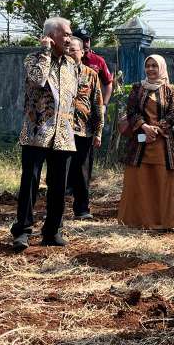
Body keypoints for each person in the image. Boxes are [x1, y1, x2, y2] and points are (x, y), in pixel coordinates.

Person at [10, 17, 79, 250]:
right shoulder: (33, 59)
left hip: (64, 134)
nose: (69, 38)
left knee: (59, 184)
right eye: (65, 34)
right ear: (51, 36)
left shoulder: (72, 65)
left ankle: (52, 231)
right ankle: (23, 231)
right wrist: (45, 50)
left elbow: (73, 96)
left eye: (70, 35)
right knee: (30, 182)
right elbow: (39, 80)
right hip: (36, 131)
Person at [118, 55, 174, 229]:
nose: (151, 69)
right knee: (139, 180)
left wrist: (157, 129)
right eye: (148, 66)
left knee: (161, 181)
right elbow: (132, 111)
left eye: (154, 66)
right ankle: (136, 220)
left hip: (162, 144)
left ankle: (162, 221)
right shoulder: (138, 88)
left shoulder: (169, 90)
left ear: (161, 67)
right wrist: (145, 127)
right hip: (140, 143)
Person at [66, 36, 104, 220]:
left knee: (82, 172)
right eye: (67, 49)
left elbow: (97, 104)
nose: (70, 53)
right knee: (59, 173)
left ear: (82, 52)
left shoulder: (91, 74)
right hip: (60, 131)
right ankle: (54, 213)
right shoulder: (58, 72)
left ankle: (82, 210)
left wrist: (98, 132)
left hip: (83, 130)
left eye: (74, 49)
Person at [75, 27, 114, 107]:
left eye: (87, 40)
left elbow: (108, 83)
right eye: (82, 41)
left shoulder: (98, 60)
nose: (85, 44)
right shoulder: (68, 59)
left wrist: (104, 105)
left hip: (93, 106)